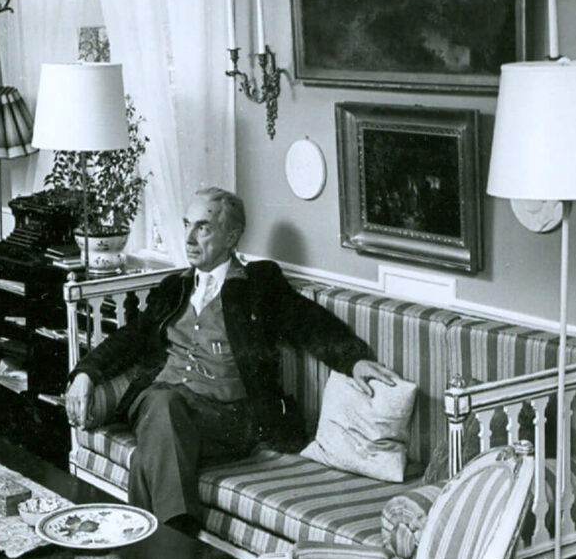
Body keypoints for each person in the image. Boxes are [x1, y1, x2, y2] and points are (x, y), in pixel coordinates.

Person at [64, 187, 396, 532]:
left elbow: (308, 321)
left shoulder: (258, 285)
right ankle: (177, 539)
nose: (189, 238)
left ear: (231, 237)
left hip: (228, 420)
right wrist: (86, 373)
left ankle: (152, 542)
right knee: (163, 408)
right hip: (161, 404)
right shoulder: (174, 288)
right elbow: (130, 337)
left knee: (152, 448)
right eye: (187, 224)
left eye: (203, 228)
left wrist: (354, 360)